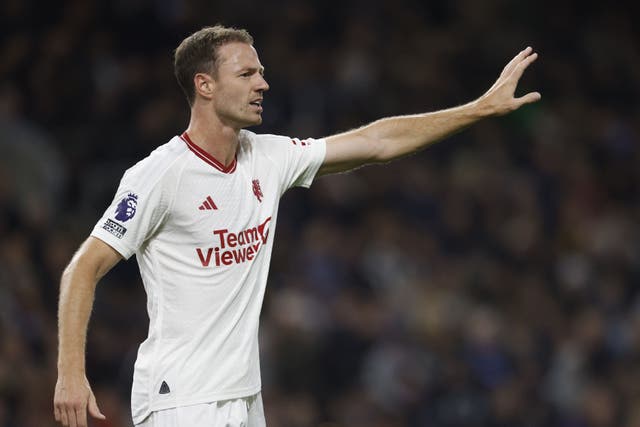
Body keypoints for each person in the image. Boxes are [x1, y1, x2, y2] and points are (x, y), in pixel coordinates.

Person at [53, 25, 540, 427]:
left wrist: (478, 108)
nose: (262, 84)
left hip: (244, 396)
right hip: (182, 399)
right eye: (246, 74)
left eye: (261, 73)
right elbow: (83, 268)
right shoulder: (161, 174)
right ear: (205, 85)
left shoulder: (268, 156)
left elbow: (376, 142)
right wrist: (71, 374)